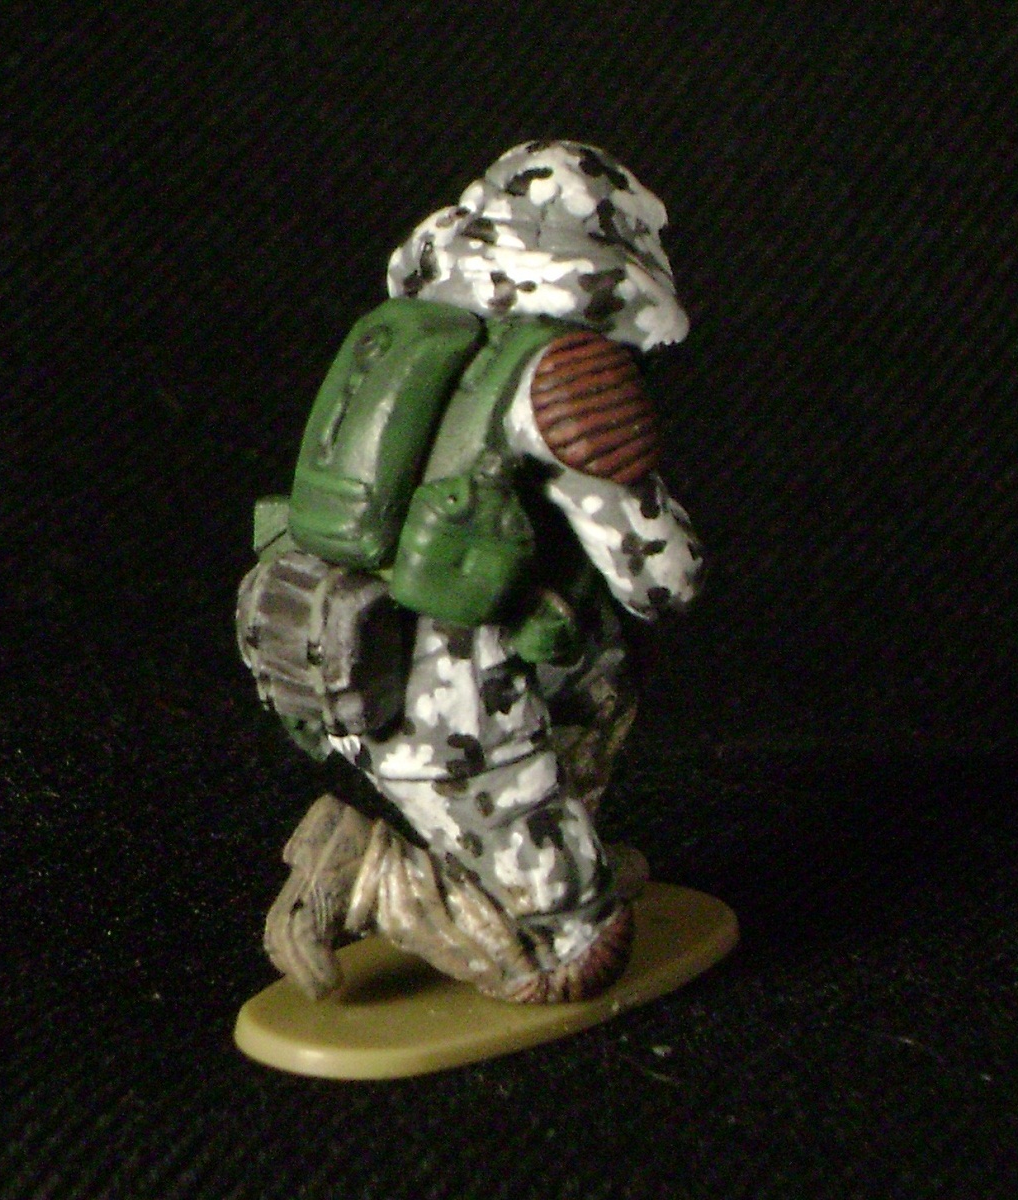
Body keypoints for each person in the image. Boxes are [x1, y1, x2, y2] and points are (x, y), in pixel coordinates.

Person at [238, 140, 703, 1003]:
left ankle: (541, 858)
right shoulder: (563, 372)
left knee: (600, 679)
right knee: (577, 962)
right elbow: (658, 578)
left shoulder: (410, 334)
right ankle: (372, 870)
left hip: (340, 641)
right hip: (449, 706)